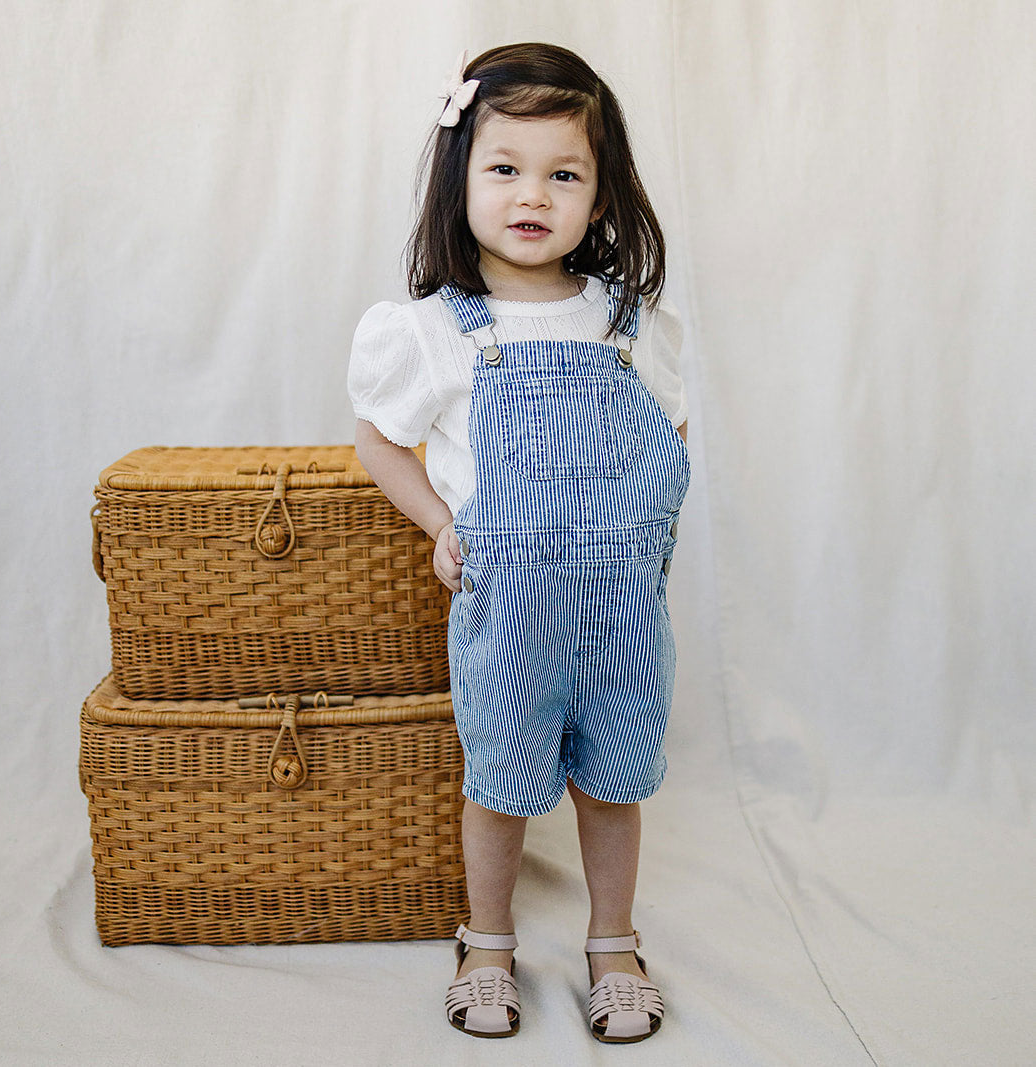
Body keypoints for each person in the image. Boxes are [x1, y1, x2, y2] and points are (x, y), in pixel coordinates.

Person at [347, 42, 690, 1044]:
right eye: (504, 167)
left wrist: (636, 530)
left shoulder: (628, 322)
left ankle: (612, 943)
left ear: (601, 193)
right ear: (460, 178)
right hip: (507, 610)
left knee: (613, 783)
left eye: (563, 174)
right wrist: (440, 521)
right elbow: (378, 440)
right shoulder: (436, 330)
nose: (531, 193)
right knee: (498, 783)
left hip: (621, 611)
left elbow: (666, 438)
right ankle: (487, 941)